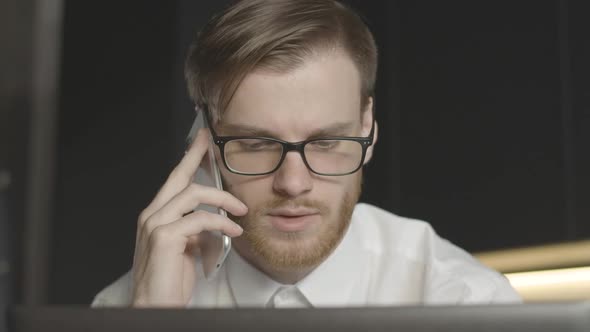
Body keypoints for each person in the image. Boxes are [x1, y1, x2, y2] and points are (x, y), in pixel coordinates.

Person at [92, 0, 520, 307]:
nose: (293, 183)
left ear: (367, 127)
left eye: (327, 142)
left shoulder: (469, 303)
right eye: (257, 144)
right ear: (204, 139)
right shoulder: (128, 308)